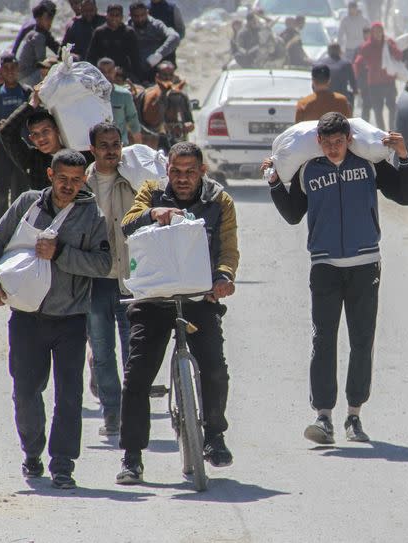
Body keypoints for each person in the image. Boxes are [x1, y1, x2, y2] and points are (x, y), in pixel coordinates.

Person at [263, 112, 408, 444]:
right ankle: (323, 416)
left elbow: (407, 196)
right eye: (328, 143)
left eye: (339, 142)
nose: (334, 148)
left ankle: (354, 416)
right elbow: (292, 214)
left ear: (349, 139)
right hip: (324, 266)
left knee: (362, 341)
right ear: (318, 142)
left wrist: (403, 157)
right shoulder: (309, 170)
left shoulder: (368, 165)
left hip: (365, 265)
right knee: (323, 340)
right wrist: (275, 183)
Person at [0, 149, 111, 490]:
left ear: (85, 181)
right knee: (25, 390)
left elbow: (102, 264)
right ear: (50, 175)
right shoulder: (27, 203)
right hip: (27, 317)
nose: (69, 186)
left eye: (76, 181)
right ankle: (32, 452)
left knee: (69, 395)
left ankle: (63, 464)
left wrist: (62, 254)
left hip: (71, 319)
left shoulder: (92, 215)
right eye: (63, 179)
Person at [116, 142, 239, 484]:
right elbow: (128, 223)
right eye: (176, 171)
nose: (182, 179)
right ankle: (132, 457)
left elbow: (228, 248)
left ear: (202, 172)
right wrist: (152, 214)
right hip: (154, 298)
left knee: (215, 369)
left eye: (190, 172)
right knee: (137, 376)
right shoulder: (152, 192)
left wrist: (224, 278)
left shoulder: (219, 201)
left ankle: (215, 437)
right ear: (167, 170)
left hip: (200, 298)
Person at [85, 123, 136, 436]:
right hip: (94, 280)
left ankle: (131, 412)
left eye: (115, 144)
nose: (110, 151)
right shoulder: (80, 181)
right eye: (103, 145)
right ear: (92, 149)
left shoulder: (132, 179)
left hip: (129, 279)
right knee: (102, 353)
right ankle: (112, 415)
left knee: (135, 351)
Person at [0, 54, 33, 222]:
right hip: (0, 150)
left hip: (22, 150)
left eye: (13, 68)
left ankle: (18, 227)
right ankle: (0, 227)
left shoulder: (26, 92)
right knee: (1, 190)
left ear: (18, 70)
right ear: (1, 71)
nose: (10, 72)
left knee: (20, 191)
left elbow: (35, 118)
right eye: (6, 68)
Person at [0, 90, 65, 191]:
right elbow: (6, 132)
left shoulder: (74, 153)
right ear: (31, 138)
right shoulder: (31, 159)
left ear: (57, 130)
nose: (41, 138)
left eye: (45, 131)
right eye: (35, 134)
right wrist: (32, 104)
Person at [353, 22, 402, 131]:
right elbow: (358, 63)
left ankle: (392, 132)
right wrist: (357, 81)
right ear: (372, 33)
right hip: (374, 83)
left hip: (389, 81)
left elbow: (399, 55)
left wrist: (390, 47)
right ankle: (382, 133)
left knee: (392, 108)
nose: (378, 34)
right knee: (377, 110)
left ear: (383, 31)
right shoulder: (366, 46)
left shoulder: (388, 43)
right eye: (375, 31)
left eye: (380, 31)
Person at [127, 1, 180, 84]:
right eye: (136, 16)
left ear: (147, 13)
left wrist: (157, 55)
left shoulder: (156, 25)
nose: (140, 19)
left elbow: (175, 37)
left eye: (142, 15)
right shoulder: (127, 28)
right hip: (135, 72)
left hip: (157, 71)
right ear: (130, 15)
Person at [86, 4, 141, 82]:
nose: (114, 18)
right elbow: (91, 57)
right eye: (111, 15)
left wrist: (126, 72)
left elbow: (135, 58)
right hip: (103, 73)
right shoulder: (99, 32)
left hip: (122, 73)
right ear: (107, 16)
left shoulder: (129, 32)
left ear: (122, 17)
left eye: (117, 15)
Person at [97, 58, 142, 144]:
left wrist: (139, 146)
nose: (106, 75)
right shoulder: (89, 95)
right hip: (96, 147)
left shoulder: (124, 95)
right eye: (102, 71)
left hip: (120, 146)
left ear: (115, 71)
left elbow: (132, 119)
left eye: (109, 71)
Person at [16, 1, 58, 86]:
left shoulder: (36, 33)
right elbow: (43, 64)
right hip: (27, 78)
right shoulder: (38, 36)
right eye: (47, 19)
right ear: (38, 19)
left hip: (23, 77)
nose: (50, 22)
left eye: (51, 19)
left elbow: (56, 47)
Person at [148, 0, 185, 66]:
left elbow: (180, 30)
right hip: (150, 52)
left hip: (168, 51)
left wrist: (172, 43)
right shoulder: (145, 9)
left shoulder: (172, 8)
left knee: (167, 72)